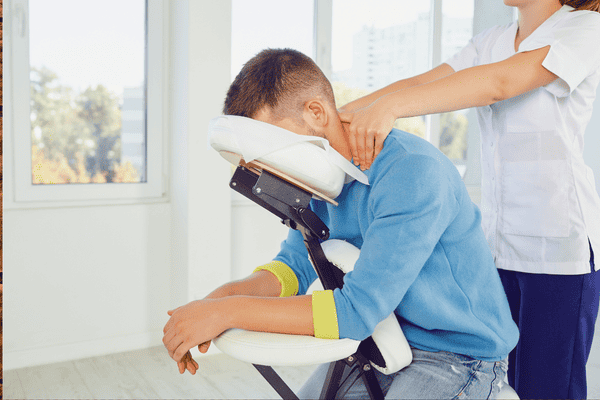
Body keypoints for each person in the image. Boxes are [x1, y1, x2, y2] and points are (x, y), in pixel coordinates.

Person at [162, 48, 518, 399]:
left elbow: (355, 311)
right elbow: (292, 269)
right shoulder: (317, 181)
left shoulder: (412, 172)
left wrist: (225, 312)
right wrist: (211, 304)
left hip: (457, 356)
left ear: (316, 113)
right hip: (380, 342)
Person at [338, 1, 600, 398]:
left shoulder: (583, 29)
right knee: (499, 384)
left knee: (547, 389)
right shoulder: (492, 40)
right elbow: (421, 85)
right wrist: (336, 119)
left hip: (558, 253)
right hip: (498, 250)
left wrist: (387, 110)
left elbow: (499, 83)